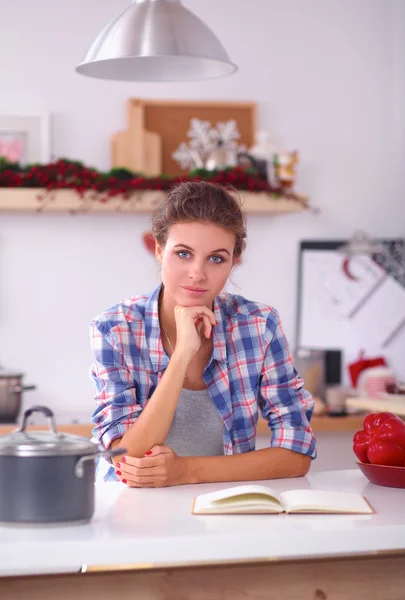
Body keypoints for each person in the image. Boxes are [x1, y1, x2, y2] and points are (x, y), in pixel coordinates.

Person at [90, 181, 317, 486]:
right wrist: (183, 352)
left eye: (216, 258)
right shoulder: (115, 329)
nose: (198, 273)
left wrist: (186, 471)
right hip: (132, 511)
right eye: (183, 254)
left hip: (221, 512)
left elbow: (296, 454)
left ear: (233, 261)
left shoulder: (258, 325)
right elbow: (126, 457)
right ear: (159, 251)